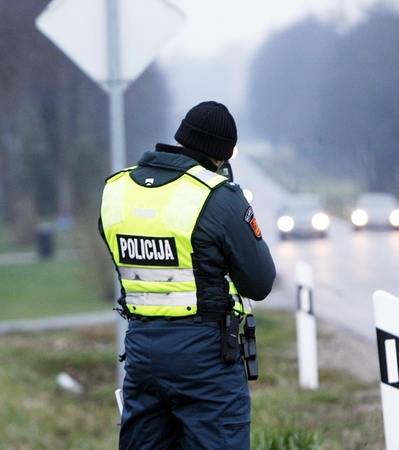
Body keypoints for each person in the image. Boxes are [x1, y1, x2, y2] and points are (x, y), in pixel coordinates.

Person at [98, 101, 276, 449]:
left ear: (180, 139)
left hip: (141, 355)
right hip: (205, 361)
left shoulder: (116, 190)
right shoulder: (219, 197)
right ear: (222, 155)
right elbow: (260, 282)